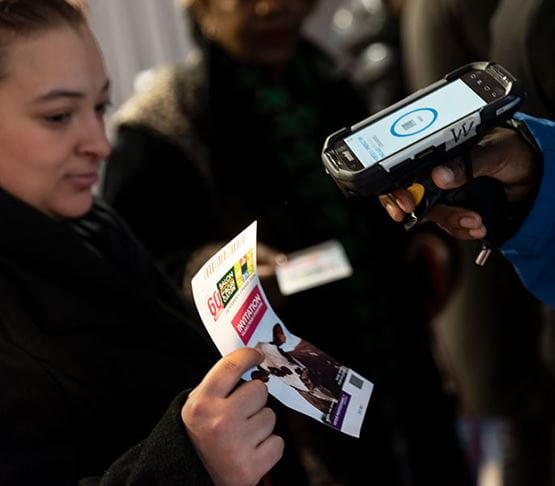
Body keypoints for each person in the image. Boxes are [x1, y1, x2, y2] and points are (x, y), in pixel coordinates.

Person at [102, 0, 472, 484]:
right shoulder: (163, 124)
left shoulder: (333, 81)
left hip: (394, 356)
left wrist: (426, 239)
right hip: (285, 399)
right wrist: (221, 272)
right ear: (201, 7)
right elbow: (141, 274)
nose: (275, 7)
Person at [0, 1, 290, 484]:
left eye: (99, 107)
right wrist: (189, 465)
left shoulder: (91, 225)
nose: (100, 143)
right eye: (58, 116)